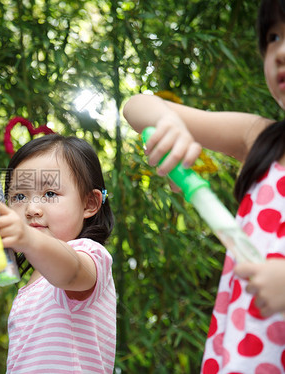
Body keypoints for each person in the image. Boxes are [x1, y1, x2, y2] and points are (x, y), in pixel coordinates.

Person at [122, 1, 285, 372]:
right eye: (273, 36)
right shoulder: (259, 138)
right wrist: (170, 123)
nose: (280, 51)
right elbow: (135, 106)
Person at [0, 134, 116, 373]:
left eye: (50, 194)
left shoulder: (89, 255)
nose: (31, 209)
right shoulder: (34, 281)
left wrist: (28, 239)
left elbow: (70, 272)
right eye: (19, 197)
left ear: (89, 203)